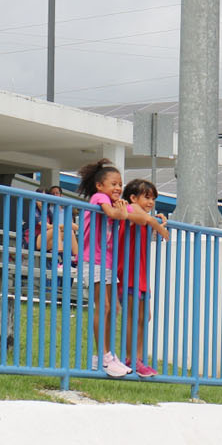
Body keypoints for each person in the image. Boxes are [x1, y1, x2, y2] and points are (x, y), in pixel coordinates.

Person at [77, 158, 133, 378]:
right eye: (113, 184)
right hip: (93, 259)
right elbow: (113, 214)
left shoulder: (116, 201)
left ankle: (107, 355)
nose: (118, 188)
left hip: (106, 260)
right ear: (100, 186)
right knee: (105, 307)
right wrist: (122, 212)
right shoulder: (99, 198)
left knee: (114, 309)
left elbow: (132, 213)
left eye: (120, 184)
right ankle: (102, 356)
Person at [117, 179, 171, 377]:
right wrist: (158, 226)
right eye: (147, 197)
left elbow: (148, 222)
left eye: (153, 199)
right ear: (133, 198)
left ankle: (136, 358)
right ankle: (131, 357)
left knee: (143, 317)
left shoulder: (142, 215)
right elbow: (144, 219)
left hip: (139, 275)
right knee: (134, 316)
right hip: (128, 273)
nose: (151, 202)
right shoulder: (129, 209)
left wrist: (157, 223)